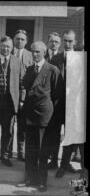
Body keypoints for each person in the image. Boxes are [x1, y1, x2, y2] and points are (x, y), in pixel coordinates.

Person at [18, 41, 62, 192]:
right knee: (30, 150)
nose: (35, 54)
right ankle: (30, 179)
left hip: (44, 116)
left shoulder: (52, 69)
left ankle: (42, 182)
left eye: (38, 52)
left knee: (43, 151)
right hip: (30, 114)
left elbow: (57, 95)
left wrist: (50, 113)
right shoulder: (30, 69)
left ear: (44, 52)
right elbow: (25, 87)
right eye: (33, 52)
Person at [0, 36, 25, 167]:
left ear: (12, 47)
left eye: (8, 46)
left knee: (8, 131)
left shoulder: (16, 62)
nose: (6, 49)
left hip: (10, 101)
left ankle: (5, 155)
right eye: (3, 46)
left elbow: (21, 83)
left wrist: (21, 100)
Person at [56, 30, 85, 178]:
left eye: (70, 41)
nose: (67, 44)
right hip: (58, 105)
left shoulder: (81, 59)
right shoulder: (56, 58)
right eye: (65, 41)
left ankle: (68, 166)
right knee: (59, 136)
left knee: (73, 137)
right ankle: (59, 164)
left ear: (75, 42)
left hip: (76, 106)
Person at [10, 29, 33, 161]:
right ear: (14, 40)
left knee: (22, 126)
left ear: (26, 41)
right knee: (9, 124)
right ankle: (6, 152)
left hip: (25, 96)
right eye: (17, 38)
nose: (19, 41)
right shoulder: (7, 51)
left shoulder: (31, 55)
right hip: (10, 95)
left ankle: (20, 152)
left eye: (22, 39)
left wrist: (24, 98)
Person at [44, 32, 64, 169]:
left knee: (55, 132)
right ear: (48, 42)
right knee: (45, 131)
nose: (54, 44)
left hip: (58, 101)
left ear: (60, 44)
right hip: (45, 100)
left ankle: (54, 159)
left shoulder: (63, 58)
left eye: (56, 42)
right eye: (51, 41)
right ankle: (44, 157)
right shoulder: (42, 56)